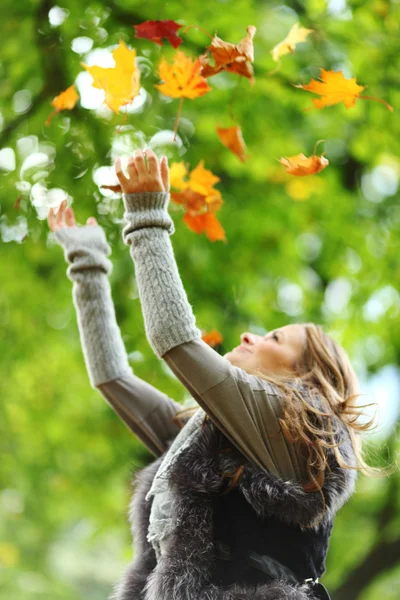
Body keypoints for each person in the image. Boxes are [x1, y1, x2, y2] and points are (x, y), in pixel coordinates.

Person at [48, 149, 377, 600]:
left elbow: (176, 340)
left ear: (305, 378)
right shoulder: (206, 439)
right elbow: (112, 377)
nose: (249, 336)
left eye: (274, 339)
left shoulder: (289, 425)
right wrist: (87, 266)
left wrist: (146, 216)